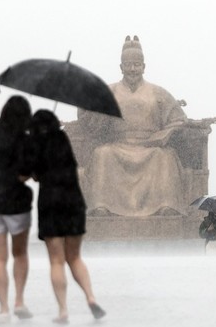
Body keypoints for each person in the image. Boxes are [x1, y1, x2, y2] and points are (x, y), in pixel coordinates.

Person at [78, 35, 188, 217]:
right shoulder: (109, 91)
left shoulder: (158, 93)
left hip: (150, 146)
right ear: (121, 67)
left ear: (144, 66)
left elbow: (178, 119)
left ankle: (166, 205)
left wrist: (165, 134)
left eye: (137, 64)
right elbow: (89, 117)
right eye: (128, 65)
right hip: (119, 145)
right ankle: (102, 206)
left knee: (165, 157)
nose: (132, 69)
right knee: (102, 154)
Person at [29, 110, 106, 323]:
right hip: (73, 203)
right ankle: (90, 297)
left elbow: (34, 175)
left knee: (56, 261)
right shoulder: (62, 139)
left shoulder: (34, 145)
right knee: (75, 257)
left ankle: (63, 311)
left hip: (50, 204)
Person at [0, 95, 34, 323]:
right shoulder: (26, 141)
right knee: (20, 253)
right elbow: (25, 174)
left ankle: (3, 309)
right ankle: (19, 301)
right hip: (17, 204)